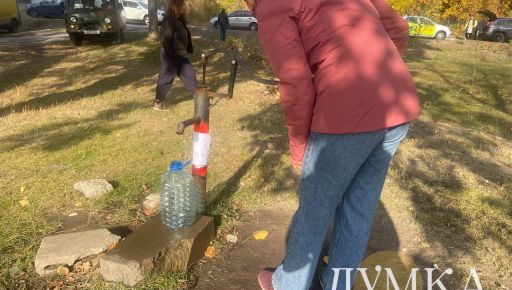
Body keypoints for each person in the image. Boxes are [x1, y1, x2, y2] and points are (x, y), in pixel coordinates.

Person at [243, 0, 421, 289]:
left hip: (347, 113)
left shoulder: (270, 4)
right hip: (398, 104)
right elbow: (398, 28)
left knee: (314, 209)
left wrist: (299, 143)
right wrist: (375, 74)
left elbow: (296, 80)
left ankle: (287, 285)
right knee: (359, 209)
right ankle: (336, 283)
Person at [154, 0, 197, 111]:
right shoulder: (169, 19)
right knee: (166, 79)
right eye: (183, 6)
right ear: (177, 6)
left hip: (181, 56)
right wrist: (171, 53)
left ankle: (200, 98)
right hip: (171, 56)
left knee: (190, 76)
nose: (185, 8)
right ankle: (158, 104)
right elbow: (165, 38)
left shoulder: (179, 20)